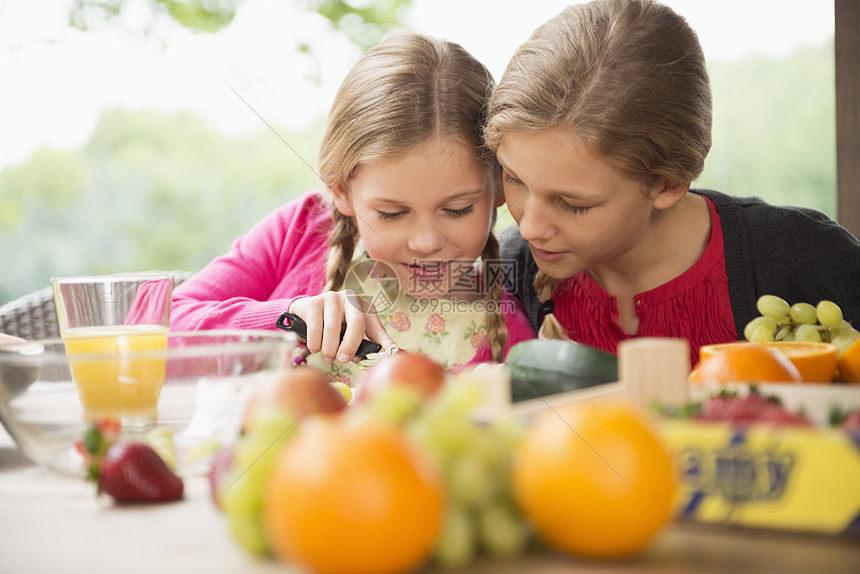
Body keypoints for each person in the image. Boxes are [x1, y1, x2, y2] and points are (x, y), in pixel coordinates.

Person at [485, 0, 860, 366]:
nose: (529, 227)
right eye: (514, 179)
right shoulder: (509, 270)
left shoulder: (808, 259)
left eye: (572, 203)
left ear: (667, 184)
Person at [170, 33, 535, 382]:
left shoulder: (505, 331)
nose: (426, 241)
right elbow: (159, 324)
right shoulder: (300, 232)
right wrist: (284, 317)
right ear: (341, 190)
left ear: (500, 186)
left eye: (458, 209)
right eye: (392, 214)